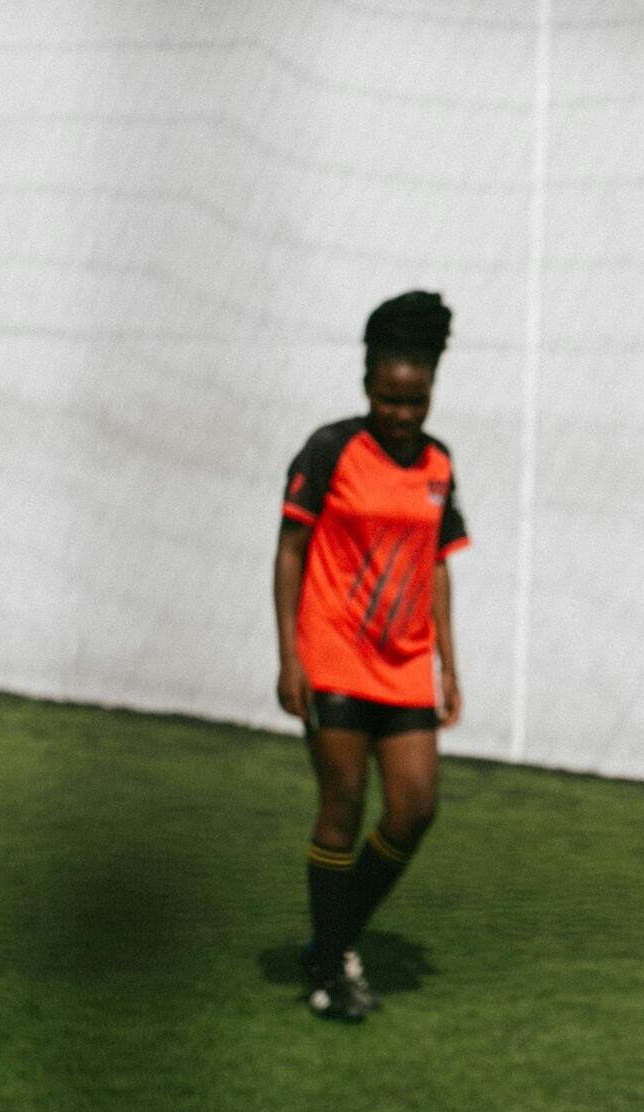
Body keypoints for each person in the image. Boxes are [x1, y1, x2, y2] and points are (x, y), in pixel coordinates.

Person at [273, 289, 468, 1021]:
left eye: (415, 402)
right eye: (390, 399)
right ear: (367, 386)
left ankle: (332, 937)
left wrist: (449, 662)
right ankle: (331, 968)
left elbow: (438, 563)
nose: (402, 414)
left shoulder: (439, 463)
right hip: (332, 655)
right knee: (344, 803)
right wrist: (290, 655)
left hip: (405, 662)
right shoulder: (330, 450)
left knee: (416, 806)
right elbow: (291, 549)